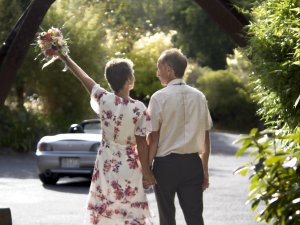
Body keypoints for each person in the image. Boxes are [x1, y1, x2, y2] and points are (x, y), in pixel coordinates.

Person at [59, 54, 156, 225]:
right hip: (129, 167)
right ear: (129, 81)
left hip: (106, 165)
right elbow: (141, 144)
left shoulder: (104, 99)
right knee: (130, 213)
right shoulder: (139, 108)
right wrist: (147, 174)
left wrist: (65, 57)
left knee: (106, 211)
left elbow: (83, 77)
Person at [147, 48, 213, 225]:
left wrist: (146, 169)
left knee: (167, 219)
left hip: (165, 166)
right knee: (195, 219)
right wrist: (204, 169)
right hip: (193, 165)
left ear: (169, 69)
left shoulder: (158, 98)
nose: (157, 73)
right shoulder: (200, 97)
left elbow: (153, 138)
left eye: (159, 68)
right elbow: (206, 137)